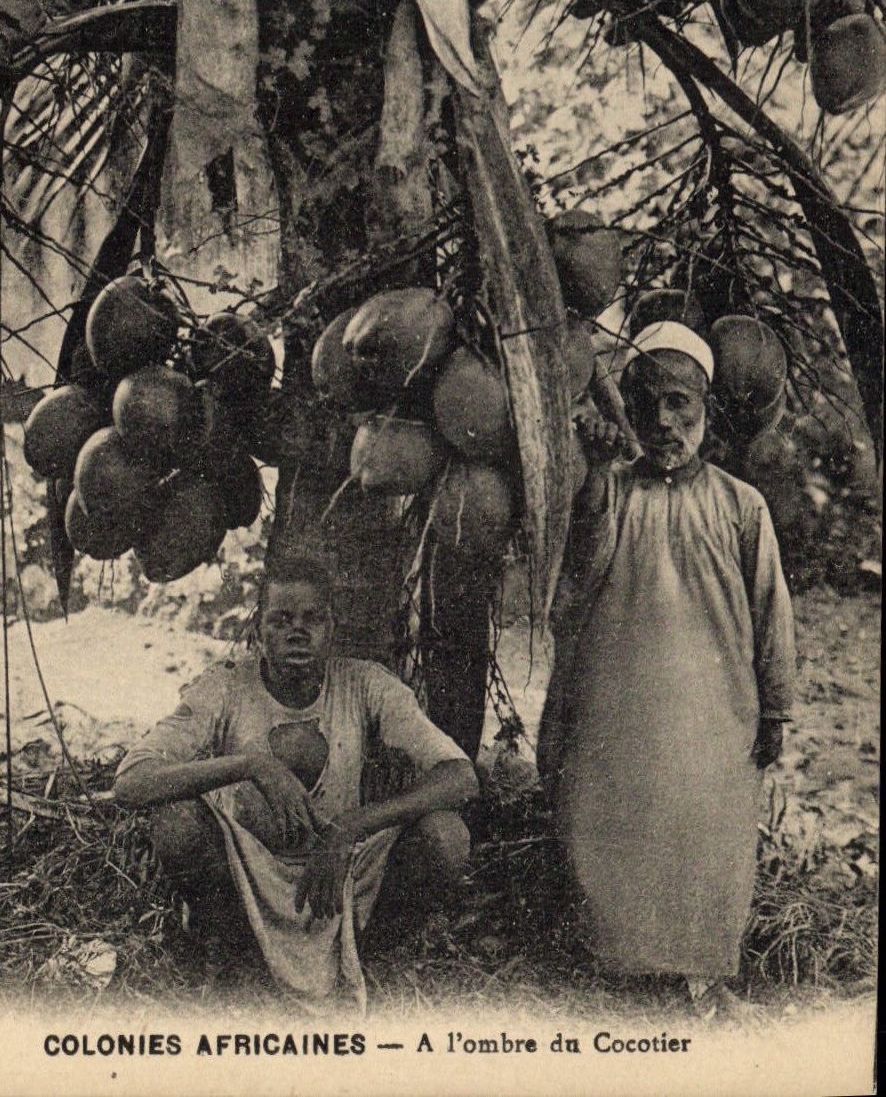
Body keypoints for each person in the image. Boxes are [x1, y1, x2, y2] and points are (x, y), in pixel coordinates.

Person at [537, 320, 796, 1015]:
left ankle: (702, 971)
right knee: (608, 822)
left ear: (705, 408)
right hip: (616, 704)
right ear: (625, 401)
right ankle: (615, 967)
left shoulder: (742, 507)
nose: (662, 420)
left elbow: (771, 611)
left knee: (706, 833)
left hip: (715, 713)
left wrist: (775, 708)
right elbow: (575, 579)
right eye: (647, 401)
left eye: (679, 402)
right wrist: (593, 473)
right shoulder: (610, 492)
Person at [113, 556, 478, 1006]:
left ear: (332, 628)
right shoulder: (225, 686)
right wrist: (250, 765)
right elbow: (131, 781)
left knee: (446, 836)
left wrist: (353, 827)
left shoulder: (365, 685)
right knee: (177, 823)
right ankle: (236, 954)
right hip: (250, 871)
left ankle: (368, 953)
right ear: (258, 629)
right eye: (281, 619)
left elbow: (460, 776)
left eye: (313, 619)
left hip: (344, 874)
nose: (297, 632)